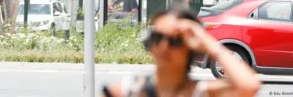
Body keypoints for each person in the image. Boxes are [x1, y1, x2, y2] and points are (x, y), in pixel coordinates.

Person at [102, 9, 260, 97]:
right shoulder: (128, 91)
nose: (164, 46)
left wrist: (208, 42)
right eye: (158, 37)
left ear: (190, 48)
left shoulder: (201, 92)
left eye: (175, 40)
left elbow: (249, 86)